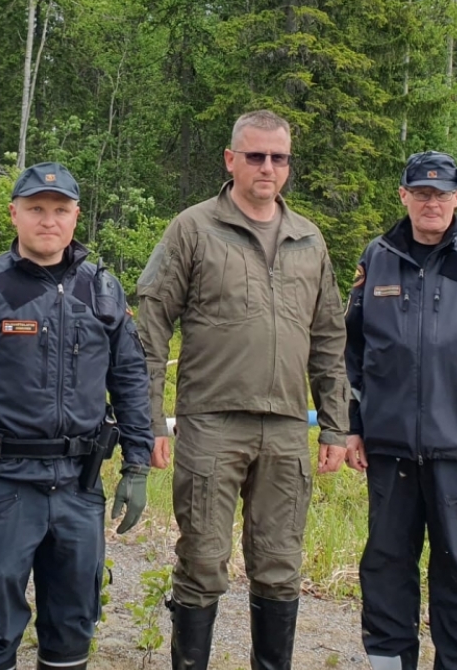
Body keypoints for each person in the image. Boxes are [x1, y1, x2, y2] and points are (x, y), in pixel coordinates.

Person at [0, 162, 155, 670]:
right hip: (2, 485)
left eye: (60, 210)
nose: (48, 220)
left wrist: (137, 464)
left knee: (73, 628)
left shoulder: (102, 292)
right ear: (14, 214)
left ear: (76, 217)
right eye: (36, 209)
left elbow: (131, 379)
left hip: (79, 487)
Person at [136, 109, 349, 670]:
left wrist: (334, 422)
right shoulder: (194, 227)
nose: (267, 167)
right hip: (211, 421)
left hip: (285, 425)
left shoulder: (309, 238)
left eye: (278, 158)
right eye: (255, 156)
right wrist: (149, 418)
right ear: (231, 159)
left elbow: (329, 336)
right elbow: (152, 324)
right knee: (204, 559)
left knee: (279, 565)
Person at [343, 151, 457, 670]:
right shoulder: (377, 257)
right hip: (389, 450)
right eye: (421, 193)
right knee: (385, 567)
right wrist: (353, 427)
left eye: (441, 194)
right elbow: (352, 352)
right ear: (403, 196)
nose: (432, 203)